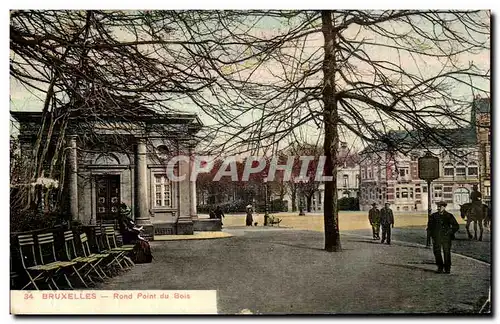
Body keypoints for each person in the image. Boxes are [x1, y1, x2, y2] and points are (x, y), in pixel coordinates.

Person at [427, 201, 459, 274]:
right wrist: (431, 235)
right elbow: (429, 227)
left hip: (446, 238)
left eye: (440, 207)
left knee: (446, 252)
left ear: (444, 207)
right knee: (437, 252)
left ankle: (447, 268)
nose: (438, 208)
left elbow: (456, 226)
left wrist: (449, 232)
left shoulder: (449, 216)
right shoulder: (433, 216)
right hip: (436, 237)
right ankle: (440, 267)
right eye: (438, 206)